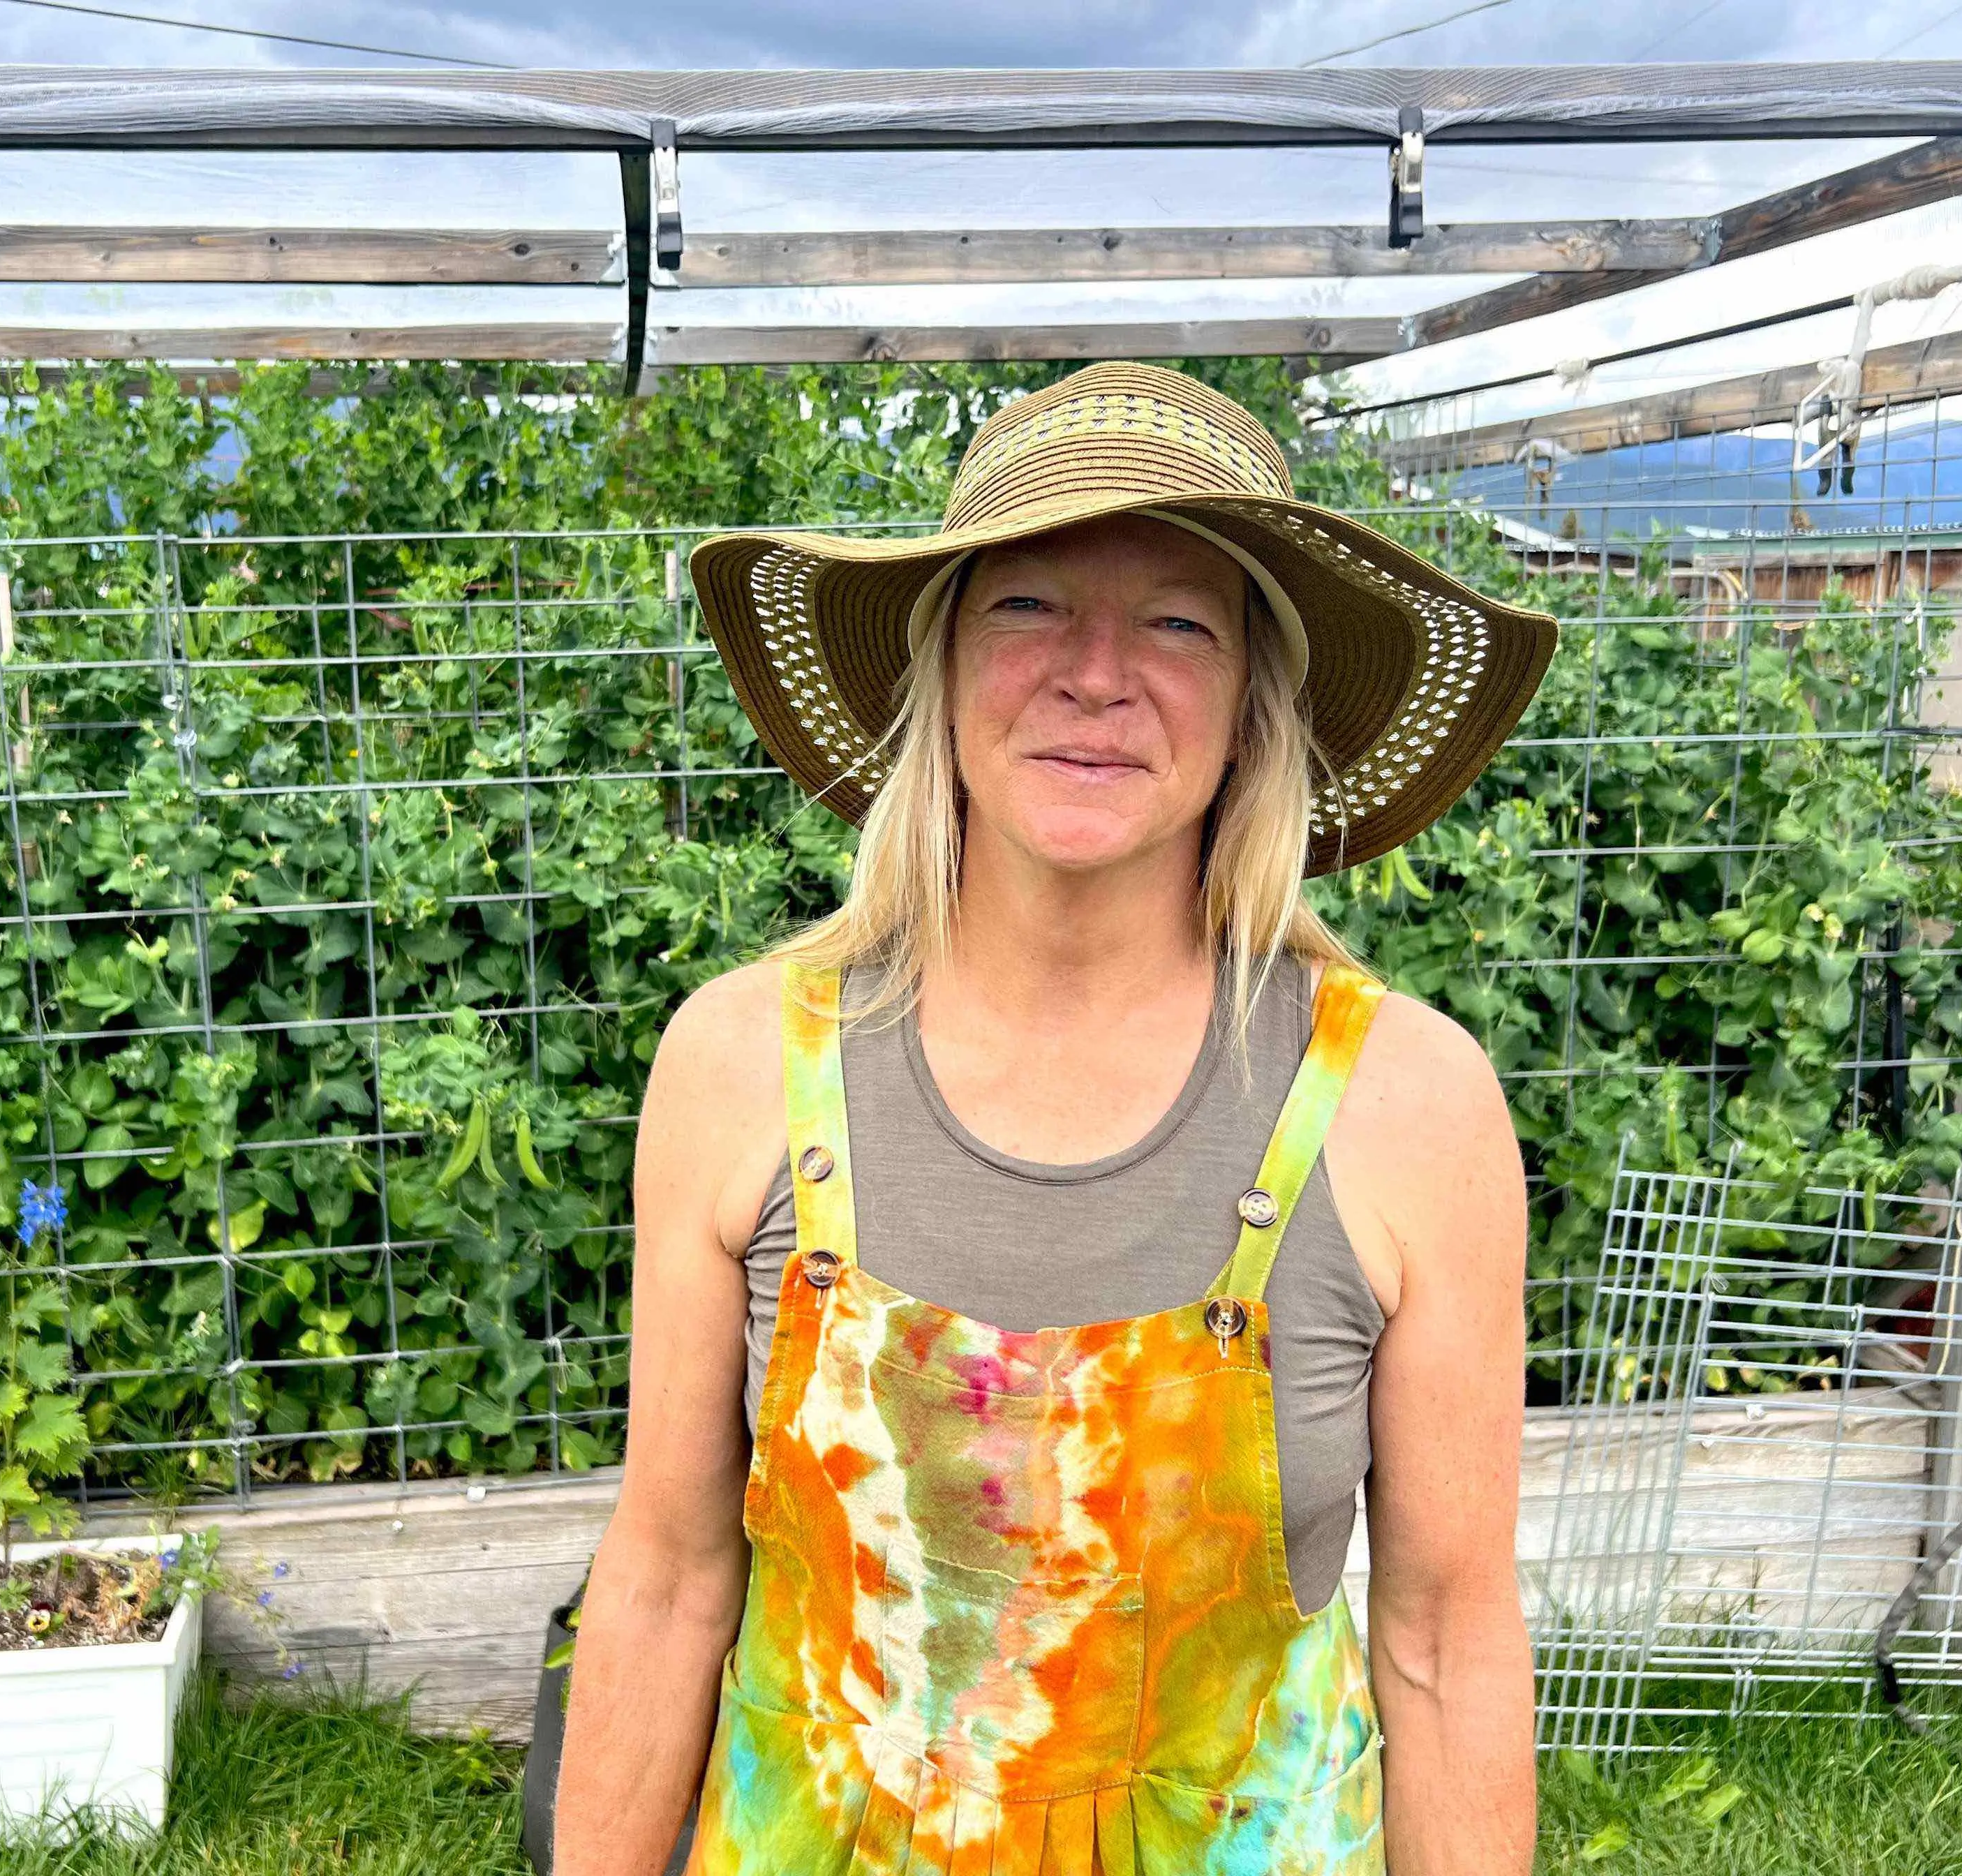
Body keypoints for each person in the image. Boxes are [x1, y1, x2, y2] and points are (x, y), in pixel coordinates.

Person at [552, 362, 1556, 1875]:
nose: (1097, 675)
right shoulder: (739, 1063)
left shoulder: (1408, 1106)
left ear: (1252, 711)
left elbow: (1446, 1640)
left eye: (1179, 623)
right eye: (1028, 606)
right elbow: (668, 1579)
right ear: (943, 671)